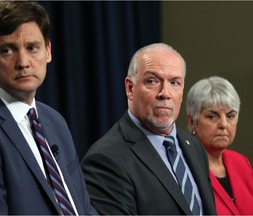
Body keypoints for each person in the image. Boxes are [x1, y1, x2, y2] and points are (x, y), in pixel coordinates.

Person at [0, 1, 97, 215]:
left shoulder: (55, 121)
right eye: (8, 50)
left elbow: (82, 207)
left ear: (48, 51)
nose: (23, 62)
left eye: (32, 48)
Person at [81, 43, 217, 215]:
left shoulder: (194, 146)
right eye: (152, 81)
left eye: (174, 82)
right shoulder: (105, 159)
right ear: (130, 88)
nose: (165, 93)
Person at [186, 76, 253, 215]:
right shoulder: (185, 168)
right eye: (212, 116)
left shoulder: (242, 163)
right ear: (192, 121)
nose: (223, 124)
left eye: (230, 116)